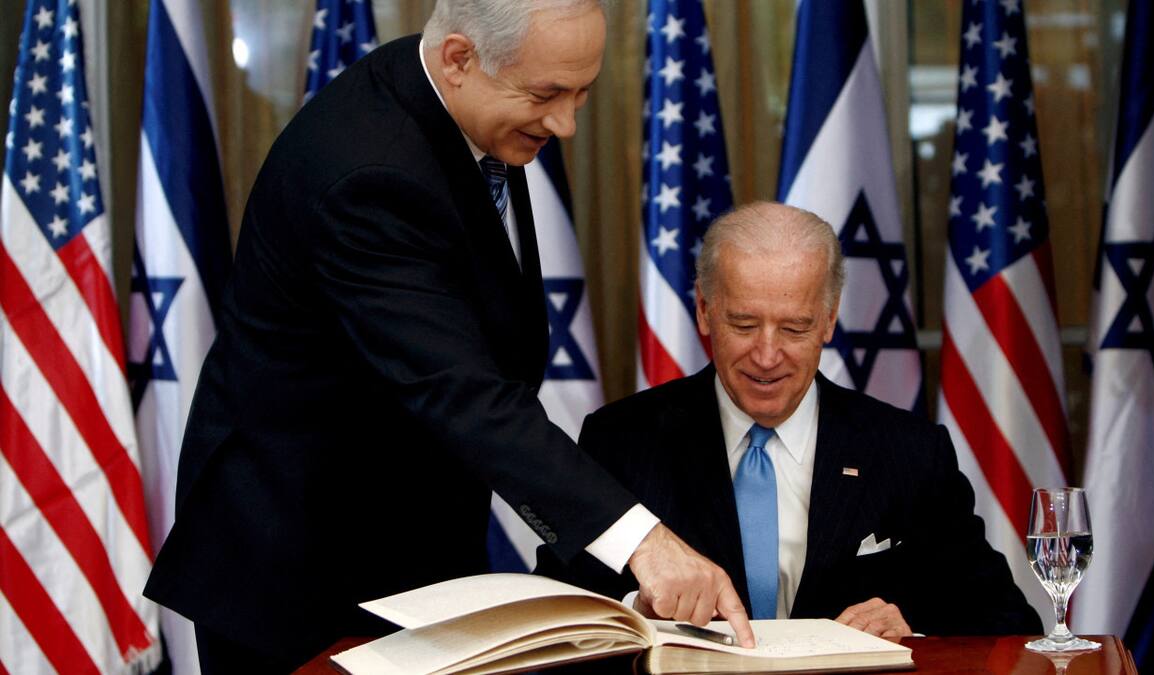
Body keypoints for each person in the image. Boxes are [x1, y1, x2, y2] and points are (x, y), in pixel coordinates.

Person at [143, 1, 752, 670]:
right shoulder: (370, 174)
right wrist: (643, 542)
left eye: (582, 93)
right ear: (460, 58)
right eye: (547, 94)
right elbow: (464, 393)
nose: (567, 124)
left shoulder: (456, 102)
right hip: (298, 572)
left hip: (414, 551)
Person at [536, 202, 1043, 639]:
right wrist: (639, 612)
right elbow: (558, 614)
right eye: (744, 324)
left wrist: (908, 621)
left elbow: (1009, 621)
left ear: (828, 320)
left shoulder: (908, 451)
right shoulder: (621, 440)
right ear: (705, 311)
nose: (767, 355)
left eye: (795, 327)